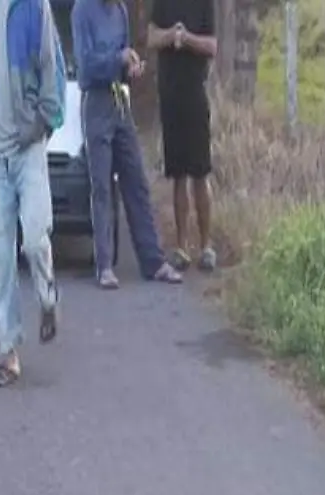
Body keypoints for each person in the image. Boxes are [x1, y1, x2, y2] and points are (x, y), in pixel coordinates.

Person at [0, 0, 67, 388]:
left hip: (28, 149)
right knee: (1, 254)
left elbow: (50, 67)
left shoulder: (33, 7)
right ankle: (9, 353)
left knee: (36, 239)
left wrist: (42, 121)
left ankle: (48, 297)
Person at [71, 0, 183, 289]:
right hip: (95, 102)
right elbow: (85, 65)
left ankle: (153, 261)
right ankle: (104, 266)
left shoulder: (119, 11)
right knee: (102, 187)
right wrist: (117, 59)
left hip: (119, 100)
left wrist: (131, 68)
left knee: (136, 181)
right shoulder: (83, 10)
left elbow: (122, 59)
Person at [147, 0, 218, 273]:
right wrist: (171, 36)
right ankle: (181, 247)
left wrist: (186, 38)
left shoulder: (204, 4)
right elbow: (151, 38)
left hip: (195, 95)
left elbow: (212, 46)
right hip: (170, 95)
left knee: (201, 172)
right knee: (178, 174)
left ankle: (206, 247)